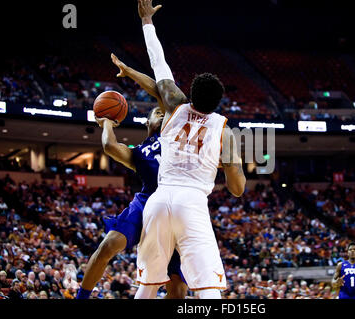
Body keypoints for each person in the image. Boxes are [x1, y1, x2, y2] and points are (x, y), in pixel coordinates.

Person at [135, 0, 246, 299]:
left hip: (158, 201)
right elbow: (236, 189)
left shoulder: (173, 104)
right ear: (218, 103)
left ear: (190, 93)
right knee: (208, 289)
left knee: (147, 286)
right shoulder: (225, 130)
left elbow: (159, 64)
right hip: (192, 203)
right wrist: (230, 165)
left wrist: (147, 21)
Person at [75, 54, 187, 299]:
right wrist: (107, 123)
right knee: (108, 245)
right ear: (147, 122)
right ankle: (81, 297)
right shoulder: (137, 153)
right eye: (157, 112)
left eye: (163, 111)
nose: (161, 112)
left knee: (178, 289)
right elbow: (110, 147)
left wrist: (128, 71)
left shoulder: (174, 132)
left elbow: (159, 89)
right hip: (146, 204)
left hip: (176, 209)